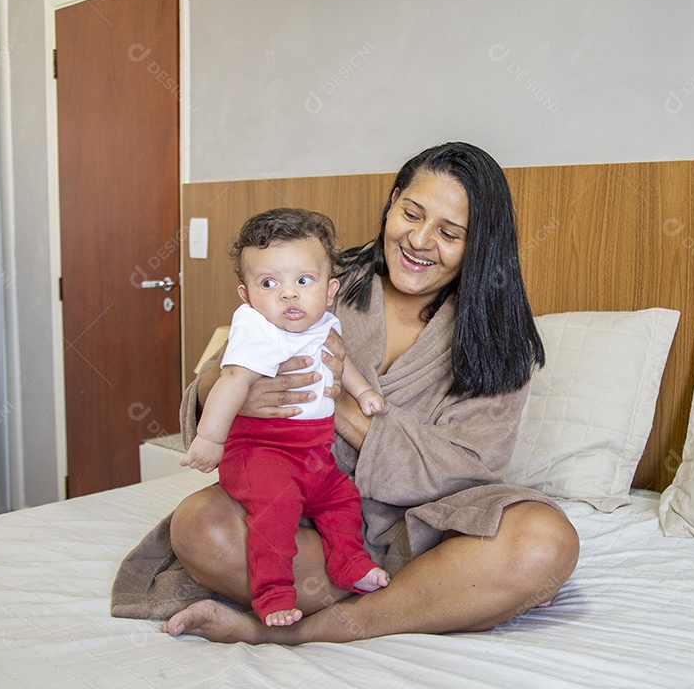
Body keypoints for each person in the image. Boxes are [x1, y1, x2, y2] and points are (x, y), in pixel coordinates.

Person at [156, 141, 580, 645]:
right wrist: (232, 392)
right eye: (411, 213)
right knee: (200, 527)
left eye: (449, 233)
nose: (420, 241)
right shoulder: (322, 278)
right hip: (310, 522)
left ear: (479, 244)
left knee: (543, 544)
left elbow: (468, 467)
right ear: (394, 200)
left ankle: (303, 629)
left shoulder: (498, 336)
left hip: (427, 535)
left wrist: (341, 409)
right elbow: (217, 375)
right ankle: (435, 597)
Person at [180, 208, 390, 627]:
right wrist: (209, 439)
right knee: (277, 513)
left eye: (303, 281)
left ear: (330, 291)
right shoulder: (256, 329)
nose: (288, 295)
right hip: (262, 450)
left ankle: (352, 564)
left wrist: (364, 392)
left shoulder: (325, 323)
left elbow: (340, 362)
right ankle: (273, 595)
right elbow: (231, 383)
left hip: (313, 454)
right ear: (247, 296)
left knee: (342, 499)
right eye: (269, 283)